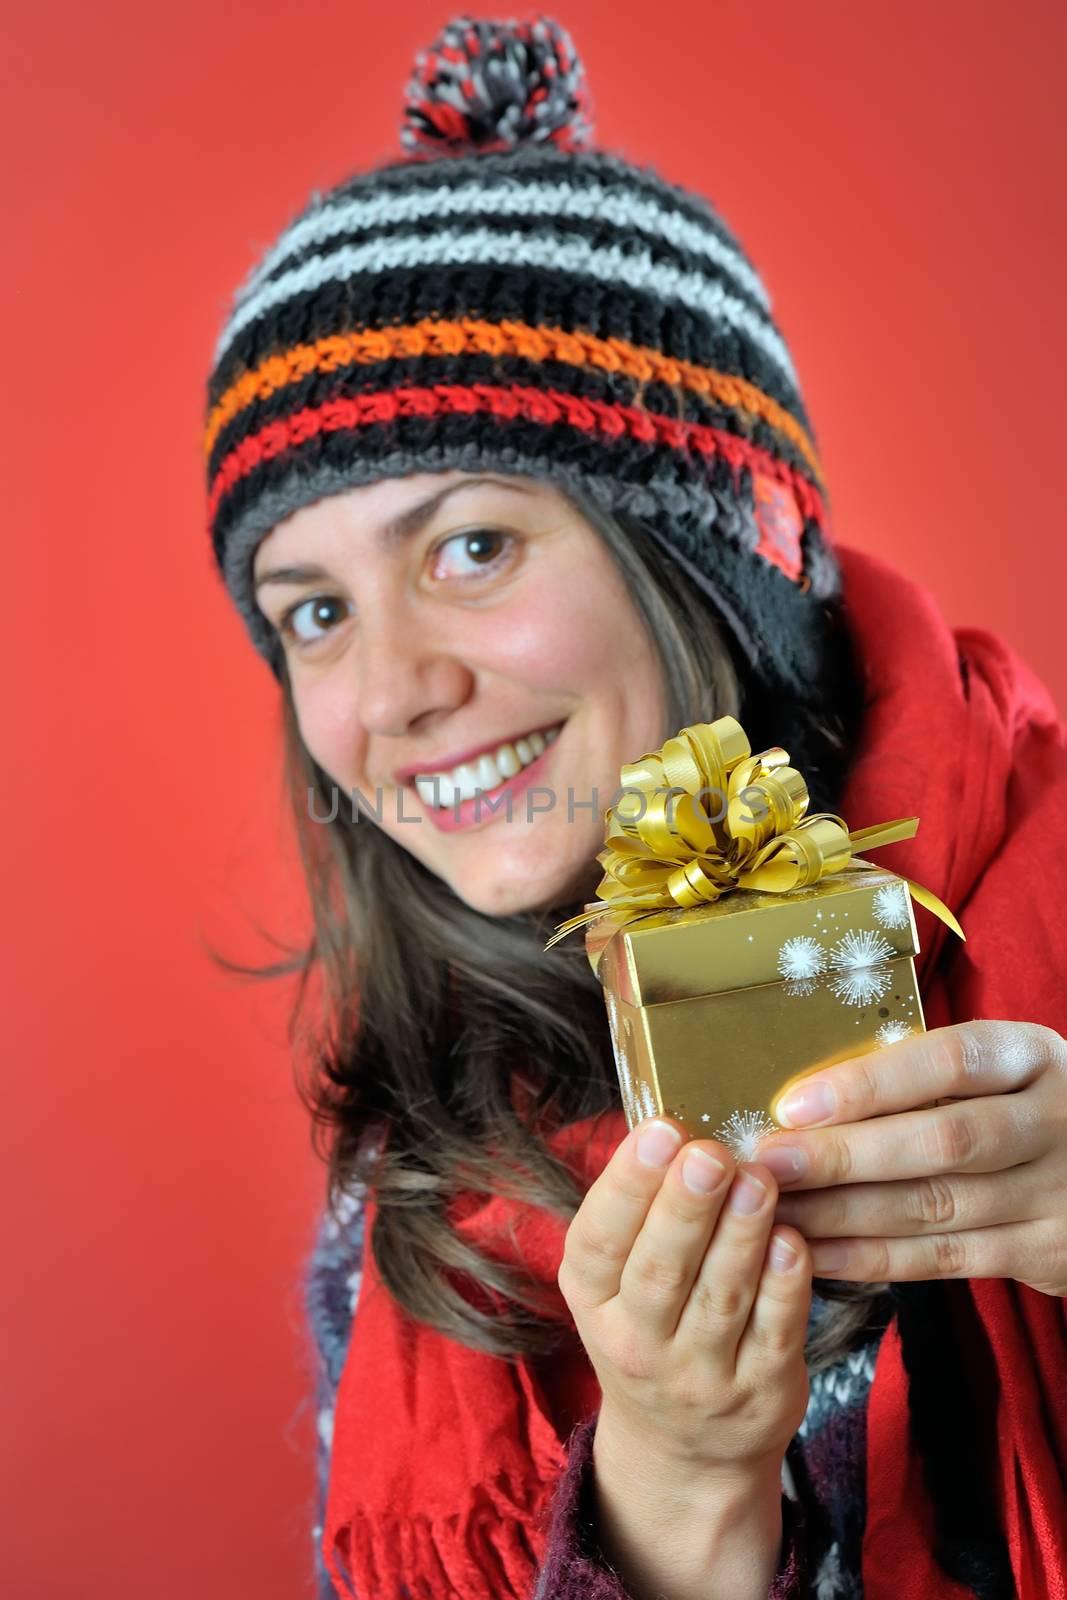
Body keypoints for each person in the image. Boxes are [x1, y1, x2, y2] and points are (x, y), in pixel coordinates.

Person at [201, 14, 1067, 1600]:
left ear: (705, 557)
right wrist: (673, 1493)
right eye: (313, 611)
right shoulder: (406, 1195)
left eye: (471, 547)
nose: (391, 694)